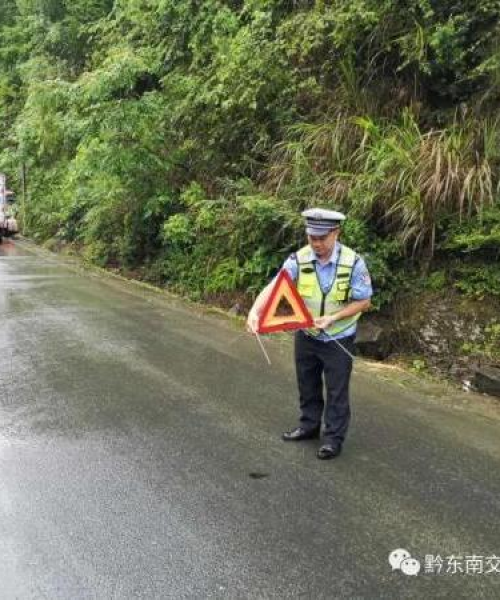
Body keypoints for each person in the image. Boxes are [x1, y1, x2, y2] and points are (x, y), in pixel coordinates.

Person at [247, 208, 373, 459]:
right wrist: (255, 312)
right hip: (306, 335)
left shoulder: (353, 262)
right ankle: (308, 426)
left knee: (337, 391)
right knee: (307, 383)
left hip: (339, 337)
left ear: (336, 233)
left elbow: (364, 301)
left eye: (322, 238)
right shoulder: (299, 259)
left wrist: (334, 318)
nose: (316, 244)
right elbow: (275, 286)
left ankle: (333, 439)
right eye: (311, 237)